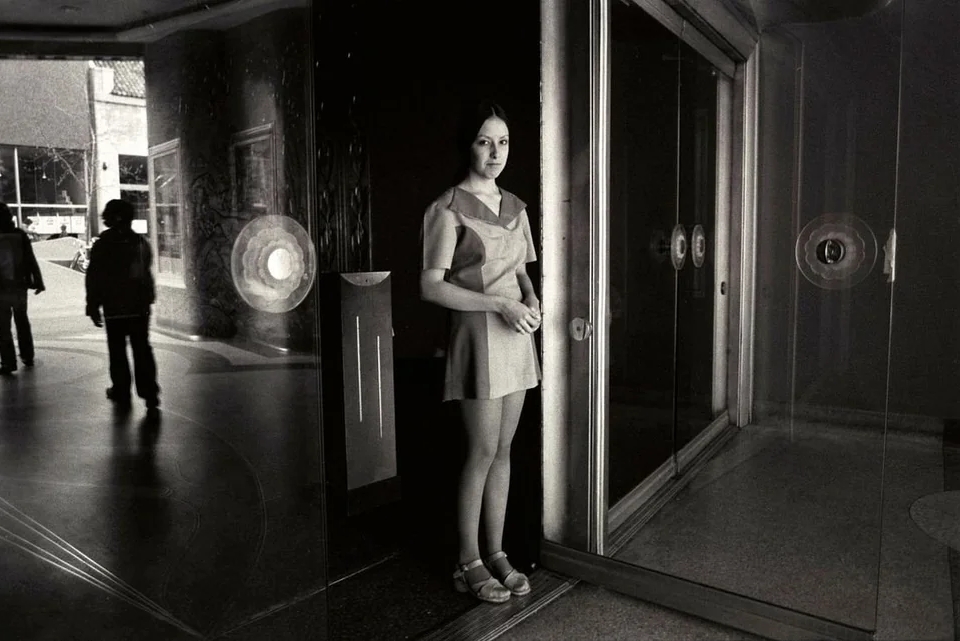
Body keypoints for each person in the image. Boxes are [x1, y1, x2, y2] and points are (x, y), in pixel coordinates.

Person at [420, 100, 542, 604]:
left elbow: (521, 274)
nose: (495, 152)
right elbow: (431, 287)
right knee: (481, 451)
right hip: (478, 335)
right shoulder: (446, 208)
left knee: (506, 451)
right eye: (484, 141)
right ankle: (467, 559)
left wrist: (533, 301)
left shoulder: (516, 207)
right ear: (467, 145)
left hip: (517, 335)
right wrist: (499, 305)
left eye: (503, 142)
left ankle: (496, 552)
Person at [85, 199, 160, 412]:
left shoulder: (103, 244)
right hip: (138, 307)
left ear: (111, 218)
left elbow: (94, 277)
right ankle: (150, 393)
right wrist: (148, 298)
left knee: (117, 349)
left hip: (114, 307)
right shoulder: (140, 242)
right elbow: (146, 273)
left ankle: (121, 388)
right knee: (142, 348)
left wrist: (92, 304)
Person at [0, 203, 45, 375]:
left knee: (3, 326)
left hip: (2, 289)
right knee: (22, 321)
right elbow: (31, 260)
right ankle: (27, 355)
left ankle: (8, 362)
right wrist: (38, 280)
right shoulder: (20, 235)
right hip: (19, 287)